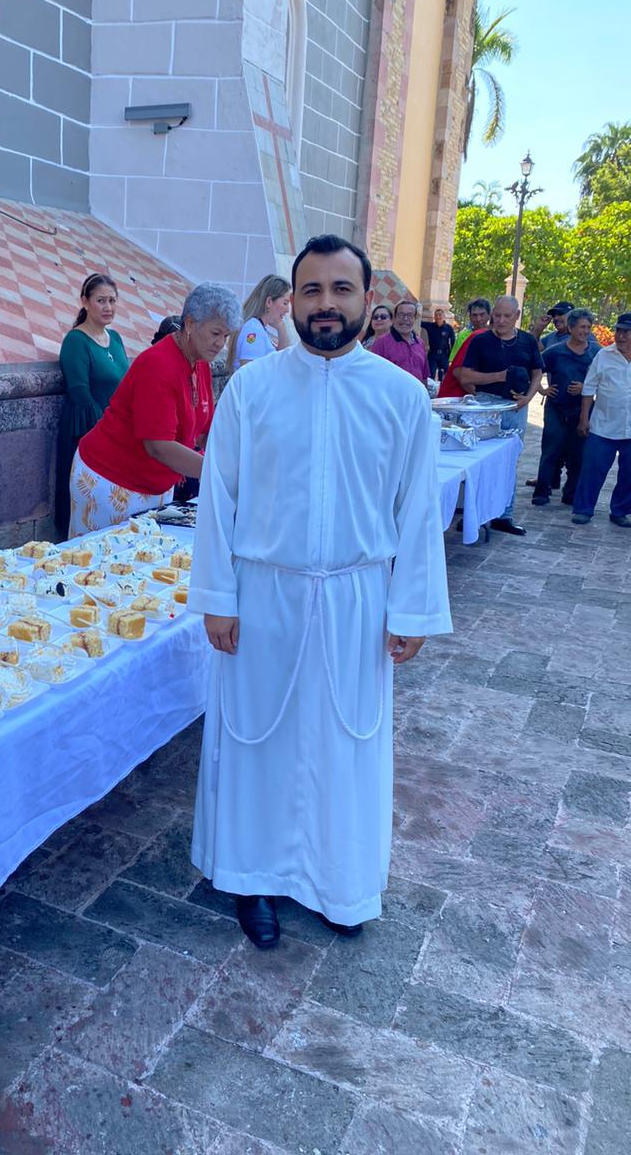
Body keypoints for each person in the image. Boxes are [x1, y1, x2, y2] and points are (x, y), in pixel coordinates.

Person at [188, 233, 451, 949]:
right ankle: (252, 879)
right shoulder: (253, 388)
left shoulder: (400, 397)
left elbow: (418, 511)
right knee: (258, 743)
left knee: (345, 744)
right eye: (311, 289)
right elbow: (220, 499)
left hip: (355, 602)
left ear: (369, 300)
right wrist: (218, 596)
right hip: (263, 596)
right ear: (292, 302)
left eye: (341, 289)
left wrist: (413, 608)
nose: (326, 303)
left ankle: (340, 883)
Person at [68, 283, 240, 535]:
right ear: (190, 325)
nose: (220, 344)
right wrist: (219, 472)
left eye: (226, 336)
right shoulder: (158, 365)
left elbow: (204, 430)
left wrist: (237, 457)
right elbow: (158, 445)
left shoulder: (200, 363)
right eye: (216, 334)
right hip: (110, 480)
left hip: (154, 486)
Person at [458, 295, 543, 535]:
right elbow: (465, 376)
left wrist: (529, 397)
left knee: (509, 462)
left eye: (507, 316)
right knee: (480, 462)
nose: (501, 320)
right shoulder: (480, 341)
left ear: (517, 316)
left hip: (516, 407)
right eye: (497, 315)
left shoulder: (527, 341)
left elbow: (537, 372)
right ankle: (474, 514)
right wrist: (498, 376)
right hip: (486, 406)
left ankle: (505, 515)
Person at [53, 274, 130, 538]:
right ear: (85, 302)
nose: (108, 307)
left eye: (112, 300)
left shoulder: (116, 339)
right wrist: (109, 432)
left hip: (117, 434)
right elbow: (81, 395)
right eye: (101, 301)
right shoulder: (76, 342)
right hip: (87, 434)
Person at [532, 309, 598, 508]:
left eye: (588, 327)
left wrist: (585, 388)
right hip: (556, 408)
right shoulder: (556, 351)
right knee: (551, 450)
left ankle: (571, 494)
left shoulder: (596, 352)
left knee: (578, 454)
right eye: (581, 327)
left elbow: (605, 380)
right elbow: (535, 369)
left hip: (582, 409)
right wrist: (542, 390)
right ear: (571, 328)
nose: (585, 331)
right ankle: (542, 491)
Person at [572, 313, 631, 527]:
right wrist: (583, 419)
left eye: (626, 332)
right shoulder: (604, 355)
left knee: (629, 474)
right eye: (619, 331)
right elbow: (589, 388)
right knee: (592, 469)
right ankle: (584, 509)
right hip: (603, 426)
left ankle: (620, 511)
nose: (621, 336)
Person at [227, 275, 291, 373]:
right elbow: (250, 375)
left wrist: (281, 328)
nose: (287, 310)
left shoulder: (258, 327)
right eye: (285, 303)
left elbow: (284, 359)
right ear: (269, 302)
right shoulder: (253, 330)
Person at [437, 299, 492, 398]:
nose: (478, 319)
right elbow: (457, 371)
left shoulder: (493, 336)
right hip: (461, 395)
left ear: (489, 315)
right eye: (474, 315)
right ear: (470, 317)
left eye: (482, 314)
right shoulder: (463, 337)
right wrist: (480, 397)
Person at [369, 300, 431, 384]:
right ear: (394, 318)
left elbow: (424, 376)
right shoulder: (381, 343)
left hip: (415, 396)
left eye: (410, 315)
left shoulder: (420, 343)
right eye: (401, 315)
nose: (405, 319)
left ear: (415, 318)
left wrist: (424, 395)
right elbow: (373, 375)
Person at [421, 306, 456, 381]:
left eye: (440, 315)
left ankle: (444, 391)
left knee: (445, 376)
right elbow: (418, 322)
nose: (438, 317)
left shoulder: (448, 328)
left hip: (444, 355)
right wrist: (417, 313)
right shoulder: (430, 326)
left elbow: (453, 342)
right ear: (434, 317)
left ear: (444, 317)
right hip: (433, 355)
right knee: (431, 376)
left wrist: (451, 356)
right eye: (436, 315)